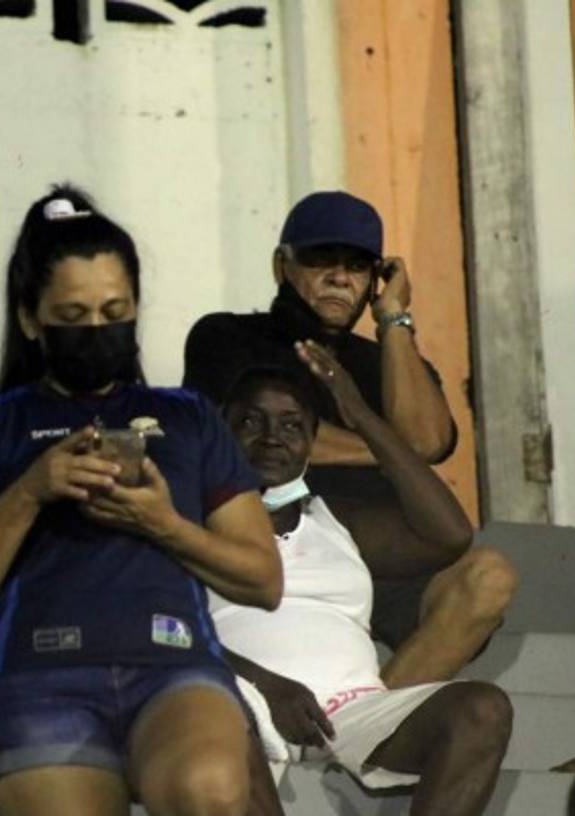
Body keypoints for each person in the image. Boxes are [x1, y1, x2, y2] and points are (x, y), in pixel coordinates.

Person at [0, 187, 283, 816]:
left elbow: (263, 580)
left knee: (211, 792)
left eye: (114, 311)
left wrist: (164, 524)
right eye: (73, 317)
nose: (96, 330)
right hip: (40, 679)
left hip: (174, 669)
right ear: (30, 319)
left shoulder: (188, 416)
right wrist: (33, 490)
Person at [183, 190, 517, 688]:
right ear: (283, 265)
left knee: (488, 577)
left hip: (378, 551)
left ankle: (368, 725)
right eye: (322, 259)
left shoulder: (386, 360)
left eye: (359, 265)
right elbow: (255, 441)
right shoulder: (228, 335)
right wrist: (390, 450)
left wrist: (393, 319)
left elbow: (431, 440)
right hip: (272, 534)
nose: (341, 277)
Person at [214, 351, 512, 815]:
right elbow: (162, 624)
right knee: (212, 710)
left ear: (312, 442)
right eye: (252, 422)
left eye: (292, 426)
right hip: (242, 699)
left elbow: (450, 535)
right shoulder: (187, 520)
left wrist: (360, 416)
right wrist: (268, 686)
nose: (272, 439)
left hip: (352, 712)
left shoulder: (335, 519)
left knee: (482, 708)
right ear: (221, 432)